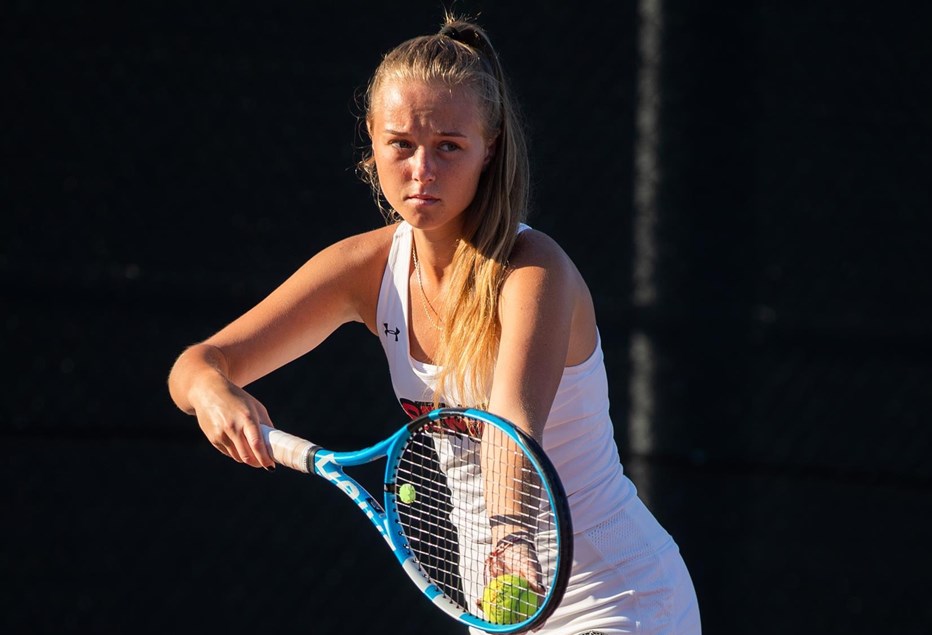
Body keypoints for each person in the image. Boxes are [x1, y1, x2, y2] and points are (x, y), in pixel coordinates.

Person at [167, 12, 701, 634]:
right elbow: (199, 362)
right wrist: (213, 391)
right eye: (402, 144)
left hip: (617, 595)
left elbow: (509, 429)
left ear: (489, 147)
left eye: (450, 146)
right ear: (371, 141)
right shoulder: (361, 269)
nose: (423, 170)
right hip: (496, 602)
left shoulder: (535, 272)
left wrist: (507, 536)